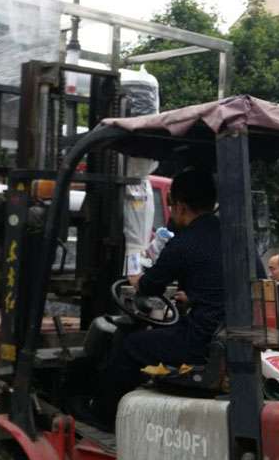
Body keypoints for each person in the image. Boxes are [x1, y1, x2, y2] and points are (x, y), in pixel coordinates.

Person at [95, 169, 225, 425]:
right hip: (224, 332)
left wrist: (136, 279)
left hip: (201, 339)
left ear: (180, 207)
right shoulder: (234, 237)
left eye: (172, 206)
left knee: (131, 345)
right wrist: (194, 297)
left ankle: (106, 417)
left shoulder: (183, 243)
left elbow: (148, 286)